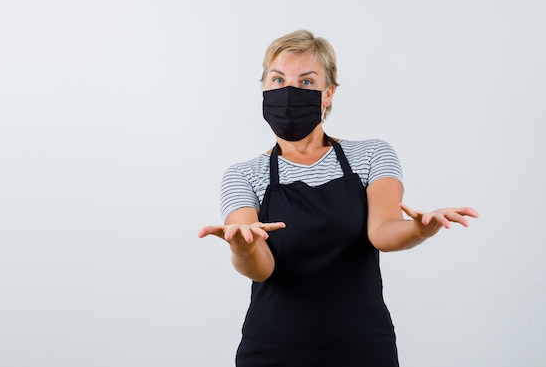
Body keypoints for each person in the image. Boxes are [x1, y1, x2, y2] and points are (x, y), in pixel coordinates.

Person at [198, 29, 478, 367]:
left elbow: (383, 232)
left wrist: (420, 229)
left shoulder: (372, 155)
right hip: (273, 349)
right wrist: (241, 247)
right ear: (263, 89)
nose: (288, 91)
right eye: (277, 79)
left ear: (328, 94)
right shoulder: (243, 174)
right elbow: (261, 267)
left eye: (306, 82)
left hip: (362, 347)